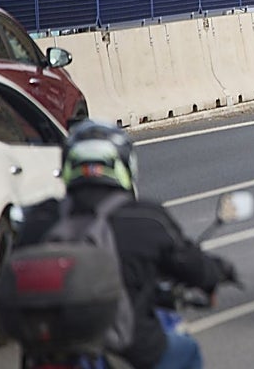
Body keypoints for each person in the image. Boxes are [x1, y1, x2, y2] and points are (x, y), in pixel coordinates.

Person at [15, 121, 236, 369]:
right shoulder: (145, 218)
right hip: (128, 348)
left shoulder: (41, 218)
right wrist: (219, 271)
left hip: (48, 353)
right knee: (187, 351)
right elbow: (191, 265)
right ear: (124, 165)